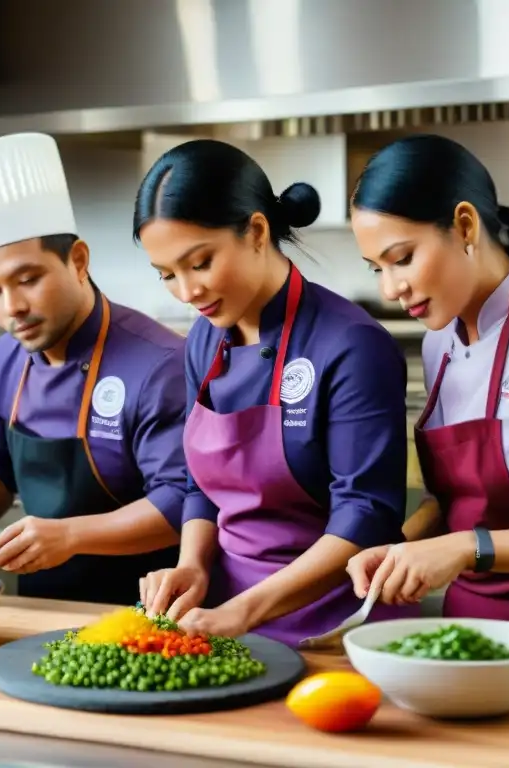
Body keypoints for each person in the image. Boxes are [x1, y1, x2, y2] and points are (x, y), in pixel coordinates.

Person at [133, 138, 416, 645]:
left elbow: (367, 513)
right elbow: (203, 486)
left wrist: (244, 612)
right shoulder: (204, 337)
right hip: (224, 621)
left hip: (337, 626)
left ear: (257, 231)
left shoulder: (350, 345)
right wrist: (192, 565)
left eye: (199, 263)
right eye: (166, 275)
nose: (187, 291)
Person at [346, 133, 509, 672]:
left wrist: (466, 548)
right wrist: (399, 549)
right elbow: (458, 501)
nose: (392, 287)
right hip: (469, 643)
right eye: (377, 267)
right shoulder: (440, 339)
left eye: (402, 258)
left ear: (465, 226)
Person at [0, 132, 186, 605]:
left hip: (148, 611)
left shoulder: (157, 365)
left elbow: (183, 503)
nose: (13, 307)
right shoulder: (6, 358)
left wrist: (70, 536)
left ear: (78, 260)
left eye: (28, 279)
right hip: (39, 610)